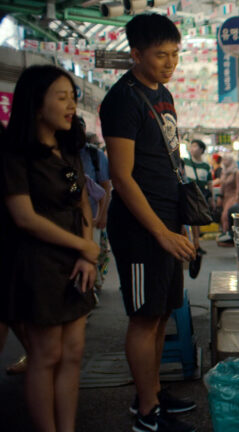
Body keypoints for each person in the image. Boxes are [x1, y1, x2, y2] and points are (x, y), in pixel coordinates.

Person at [99, 13, 196, 432]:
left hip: (168, 221)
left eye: (175, 54)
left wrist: (183, 224)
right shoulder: (122, 100)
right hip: (141, 228)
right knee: (143, 316)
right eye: (160, 55)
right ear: (135, 54)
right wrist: (159, 231)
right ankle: (145, 414)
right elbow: (121, 177)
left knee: (160, 314)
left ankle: (152, 393)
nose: (170, 63)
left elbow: (169, 164)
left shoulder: (163, 95)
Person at [1, 65, 98, 432]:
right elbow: (24, 217)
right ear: (35, 104)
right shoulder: (15, 154)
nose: (71, 104)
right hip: (37, 262)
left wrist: (86, 250)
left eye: (73, 97)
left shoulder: (69, 147)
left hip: (75, 260)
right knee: (46, 355)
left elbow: (83, 204)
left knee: (72, 354)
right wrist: (83, 247)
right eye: (62, 97)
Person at [80, 131, 111, 293]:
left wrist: (101, 215)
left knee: (92, 254)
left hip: (90, 219)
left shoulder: (94, 156)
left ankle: (91, 288)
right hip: (77, 221)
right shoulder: (59, 157)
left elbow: (103, 191)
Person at [183, 139, 211, 254]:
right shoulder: (185, 162)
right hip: (189, 194)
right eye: (191, 146)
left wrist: (212, 197)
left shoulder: (206, 166)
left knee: (198, 220)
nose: (192, 148)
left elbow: (209, 182)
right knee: (193, 220)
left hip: (201, 195)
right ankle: (194, 244)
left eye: (195, 146)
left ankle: (196, 244)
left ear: (201, 150)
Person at [216, 154, 239, 244]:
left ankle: (229, 234)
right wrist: (220, 197)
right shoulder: (223, 171)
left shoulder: (236, 172)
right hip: (225, 198)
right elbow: (222, 186)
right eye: (224, 159)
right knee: (223, 216)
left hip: (233, 197)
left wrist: (236, 200)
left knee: (225, 215)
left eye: (227, 159)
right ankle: (226, 233)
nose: (224, 161)